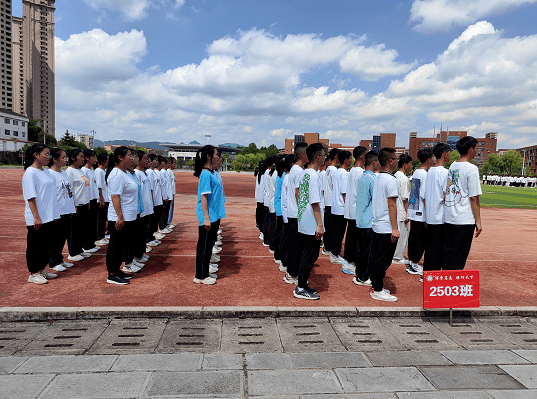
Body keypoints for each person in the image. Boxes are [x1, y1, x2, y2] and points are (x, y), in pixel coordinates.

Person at [443, 136, 483, 270]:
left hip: (449, 217)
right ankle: (452, 284)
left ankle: (445, 283)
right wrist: (478, 220)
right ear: (470, 149)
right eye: (476, 148)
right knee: (459, 255)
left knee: (448, 252)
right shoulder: (471, 169)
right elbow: (474, 197)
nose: (477, 151)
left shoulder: (452, 166)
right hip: (464, 219)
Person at [23, 144, 60, 284]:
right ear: (36, 155)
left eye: (49, 154)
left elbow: (50, 195)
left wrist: (54, 213)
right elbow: (30, 197)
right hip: (37, 217)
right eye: (46, 154)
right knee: (35, 246)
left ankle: (41, 269)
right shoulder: (30, 173)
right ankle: (33, 273)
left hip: (48, 216)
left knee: (45, 245)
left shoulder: (46, 172)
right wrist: (36, 217)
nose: (48, 157)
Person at [294, 143, 326, 300]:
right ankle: (300, 287)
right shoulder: (313, 176)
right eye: (324, 155)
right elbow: (315, 202)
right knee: (310, 256)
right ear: (318, 157)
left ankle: (303, 284)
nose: (325, 158)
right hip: (312, 222)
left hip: (305, 220)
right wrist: (320, 224)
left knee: (308, 255)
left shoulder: (305, 173)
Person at [368, 147, 399, 302]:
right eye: (396, 158)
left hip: (377, 224)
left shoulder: (377, 177)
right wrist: (395, 228)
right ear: (390, 160)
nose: (397, 161)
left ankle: (376, 286)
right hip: (386, 226)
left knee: (376, 257)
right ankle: (377, 289)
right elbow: (392, 205)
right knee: (383, 260)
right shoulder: (391, 180)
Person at [105, 147, 138, 285]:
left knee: (123, 245)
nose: (131, 158)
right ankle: (112, 274)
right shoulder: (117, 174)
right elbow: (115, 196)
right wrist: (120, 216)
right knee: (116, 245)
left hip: (128, 217)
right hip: (119, 218)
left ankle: (117, 270)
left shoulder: (126, 173)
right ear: (120, 157)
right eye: (129, 155)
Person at [193, 145, 225, 284]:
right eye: (216, 154)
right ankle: (200, 276)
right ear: (209, 156)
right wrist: (206, 218)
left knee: (209, 245)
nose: (218, 157)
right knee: (204, 246)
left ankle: (205, 272)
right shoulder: (205, 174)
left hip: (214, 215)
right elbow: (203, 197)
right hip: (208, 217)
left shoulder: (211, 173)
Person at [283, 142, 308, 285]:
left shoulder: (294, 170)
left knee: (295, 246)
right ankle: (292, 274)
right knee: (296, 247)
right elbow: (298, 194)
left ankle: (292, 272)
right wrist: (303, 214)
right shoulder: (299, 171)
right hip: (297, 215)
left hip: (293, 214)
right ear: (303, 154)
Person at [423, 142, 451, 273]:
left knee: (430, 247)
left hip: (431, 216)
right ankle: (433, 276)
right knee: (438, 249)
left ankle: (427, 273)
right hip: (440, 217)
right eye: (449, 153)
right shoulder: (446, 173)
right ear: (445, 154)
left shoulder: (430, 172)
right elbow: (447, 195)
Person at [48, 147, 76, 272]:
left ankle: (59, 259)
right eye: (63, 157)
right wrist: (54, 213)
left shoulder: (63, 173)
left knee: (63, 237)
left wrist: (71, 206)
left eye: (66, 157)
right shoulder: (49, 174)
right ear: (54, 159)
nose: (66, 160)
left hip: (67, 209)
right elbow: (51, 195)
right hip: (58, 211)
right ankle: (53, 261)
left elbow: (68, 191)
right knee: (55, 238)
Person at [406, 148, 434, 276]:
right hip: (421, 213)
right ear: (428, 159)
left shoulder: (416, 172)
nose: (433, 160)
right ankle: (414, 264)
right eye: (432, 158)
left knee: (414, 238)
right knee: (420, 240)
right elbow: (425, 196)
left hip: (414, 211)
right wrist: (428, 216)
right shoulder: (425, 175)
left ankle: (412, 262)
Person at [66, 148, 97, 261]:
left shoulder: (81, 171)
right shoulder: (69, 171)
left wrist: (88, 201)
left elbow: (86, 188)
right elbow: (69, 190)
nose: (83, 159)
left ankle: (79, 249)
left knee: (82, 229)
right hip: (76, 205)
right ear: (73, 158)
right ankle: (73, 252)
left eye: (83, 157)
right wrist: (72, 204)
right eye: (80, 157)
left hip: (84, 204)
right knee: (74, 230)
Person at [354, 151, 379, 286]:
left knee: (361, 249)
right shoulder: (372, 179)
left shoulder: (363, 177)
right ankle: (362, 276)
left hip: (361, 218)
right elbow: (377, 200)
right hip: (368, 220)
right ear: (374, 162)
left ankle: (360, 274)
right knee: (367, 251)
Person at [342, 146, 366, 273]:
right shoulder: (361, 173)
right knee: (356, 238)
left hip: (351, 209)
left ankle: (348, 260)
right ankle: (351, 261)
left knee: (351, 237)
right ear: (362, 157)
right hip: (357, 210)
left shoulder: (351, 171)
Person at [329, 150, 352, 265]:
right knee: (339, 232)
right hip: (341, 208)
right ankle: (334, 254)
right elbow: (344, 193)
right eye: (351, 159)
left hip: (335, 207)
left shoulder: (338, 172)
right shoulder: (344, 174)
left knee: (336, 231)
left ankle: (334, 253)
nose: (352, 161)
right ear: (346, 160)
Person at [392, 154, 412, 265]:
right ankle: (397, 256)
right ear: (405, 165)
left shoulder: (394, 175)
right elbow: (405, 198)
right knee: (403, 235)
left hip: (395, 211)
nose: (410, 166)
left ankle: (394, 254)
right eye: (410, 164)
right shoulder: (404, 179)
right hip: (401, 212)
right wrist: (407, 213)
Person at [134, 150, 154, 256]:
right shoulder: (137, 173)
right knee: (139, 233)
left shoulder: (143, 173)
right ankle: (137, 255)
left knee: (143, 232)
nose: (147, 161)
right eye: (145, 159)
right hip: (141, 210)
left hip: (146, 208)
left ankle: (141, 253)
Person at [279, 154, 296, 274]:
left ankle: (284, 261)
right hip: (288, 215)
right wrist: (285, 217)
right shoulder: (288, 178)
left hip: (288, 214)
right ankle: (284, 262)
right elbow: (285, 200)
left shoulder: (287, 177)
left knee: (287, 240)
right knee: (287, 241)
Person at [322, 148, 341, 257]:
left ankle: (327, 246)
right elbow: (335, 186)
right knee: (331, 227)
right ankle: (328, 247)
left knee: (329, 226)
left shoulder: (329, 169)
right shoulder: (333, 170)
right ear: (335, 157)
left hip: (328, 201)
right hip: (331, 202)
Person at [81, 149, 101, 253]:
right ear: (87, 158)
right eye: (93, 157)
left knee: (93, 223)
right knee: (87, 224)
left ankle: (91, 243)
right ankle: (86, 245)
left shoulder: (92, 171)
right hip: (89, 200)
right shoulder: (84, 171)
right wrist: (88, 200)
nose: (95, 159)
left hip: (94, 199)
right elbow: (86, 187)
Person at [146, 154, 163, 243]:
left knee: (155, 219)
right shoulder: (149, 172)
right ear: (151, 161)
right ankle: (149, 237)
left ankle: (151, 236)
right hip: (153, 201)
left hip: (157, 200)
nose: (157, 161)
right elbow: (150, 188)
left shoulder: (153, 172)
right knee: (151, 221)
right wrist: (152, 201)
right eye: (155, 160)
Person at [95, 153, 110, 246]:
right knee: (100, 219)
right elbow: (99, 186)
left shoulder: (104, 171)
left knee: (104, 218)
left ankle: (102, 235)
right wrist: (101, 199)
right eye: (107, 159)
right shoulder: (98, 171)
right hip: (103, 198)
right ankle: (99, 237)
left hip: (106, 197)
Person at [273, 155, 286, 266]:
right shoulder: (283, 176)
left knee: (280, 234)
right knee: (281, 235)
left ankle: (278, 255)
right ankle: (279, 256)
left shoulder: (280, 175)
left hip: (280, 208)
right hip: (282, 209)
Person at [255, 161, 267, 240]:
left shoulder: (259, 175)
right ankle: (262, 231)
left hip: (259, 199)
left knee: (259, 213)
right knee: (263, 216)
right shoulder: (263, 176)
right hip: (262, 199)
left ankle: (260, 227)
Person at [166, 157, 177, 229]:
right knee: (169, 208)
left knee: (171, 208)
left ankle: (170, 221)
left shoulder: (171, 171)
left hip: (172, 192)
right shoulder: (168, 171)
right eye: (174, 163)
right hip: (169, 192)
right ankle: (168, 222)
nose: (175, 164)